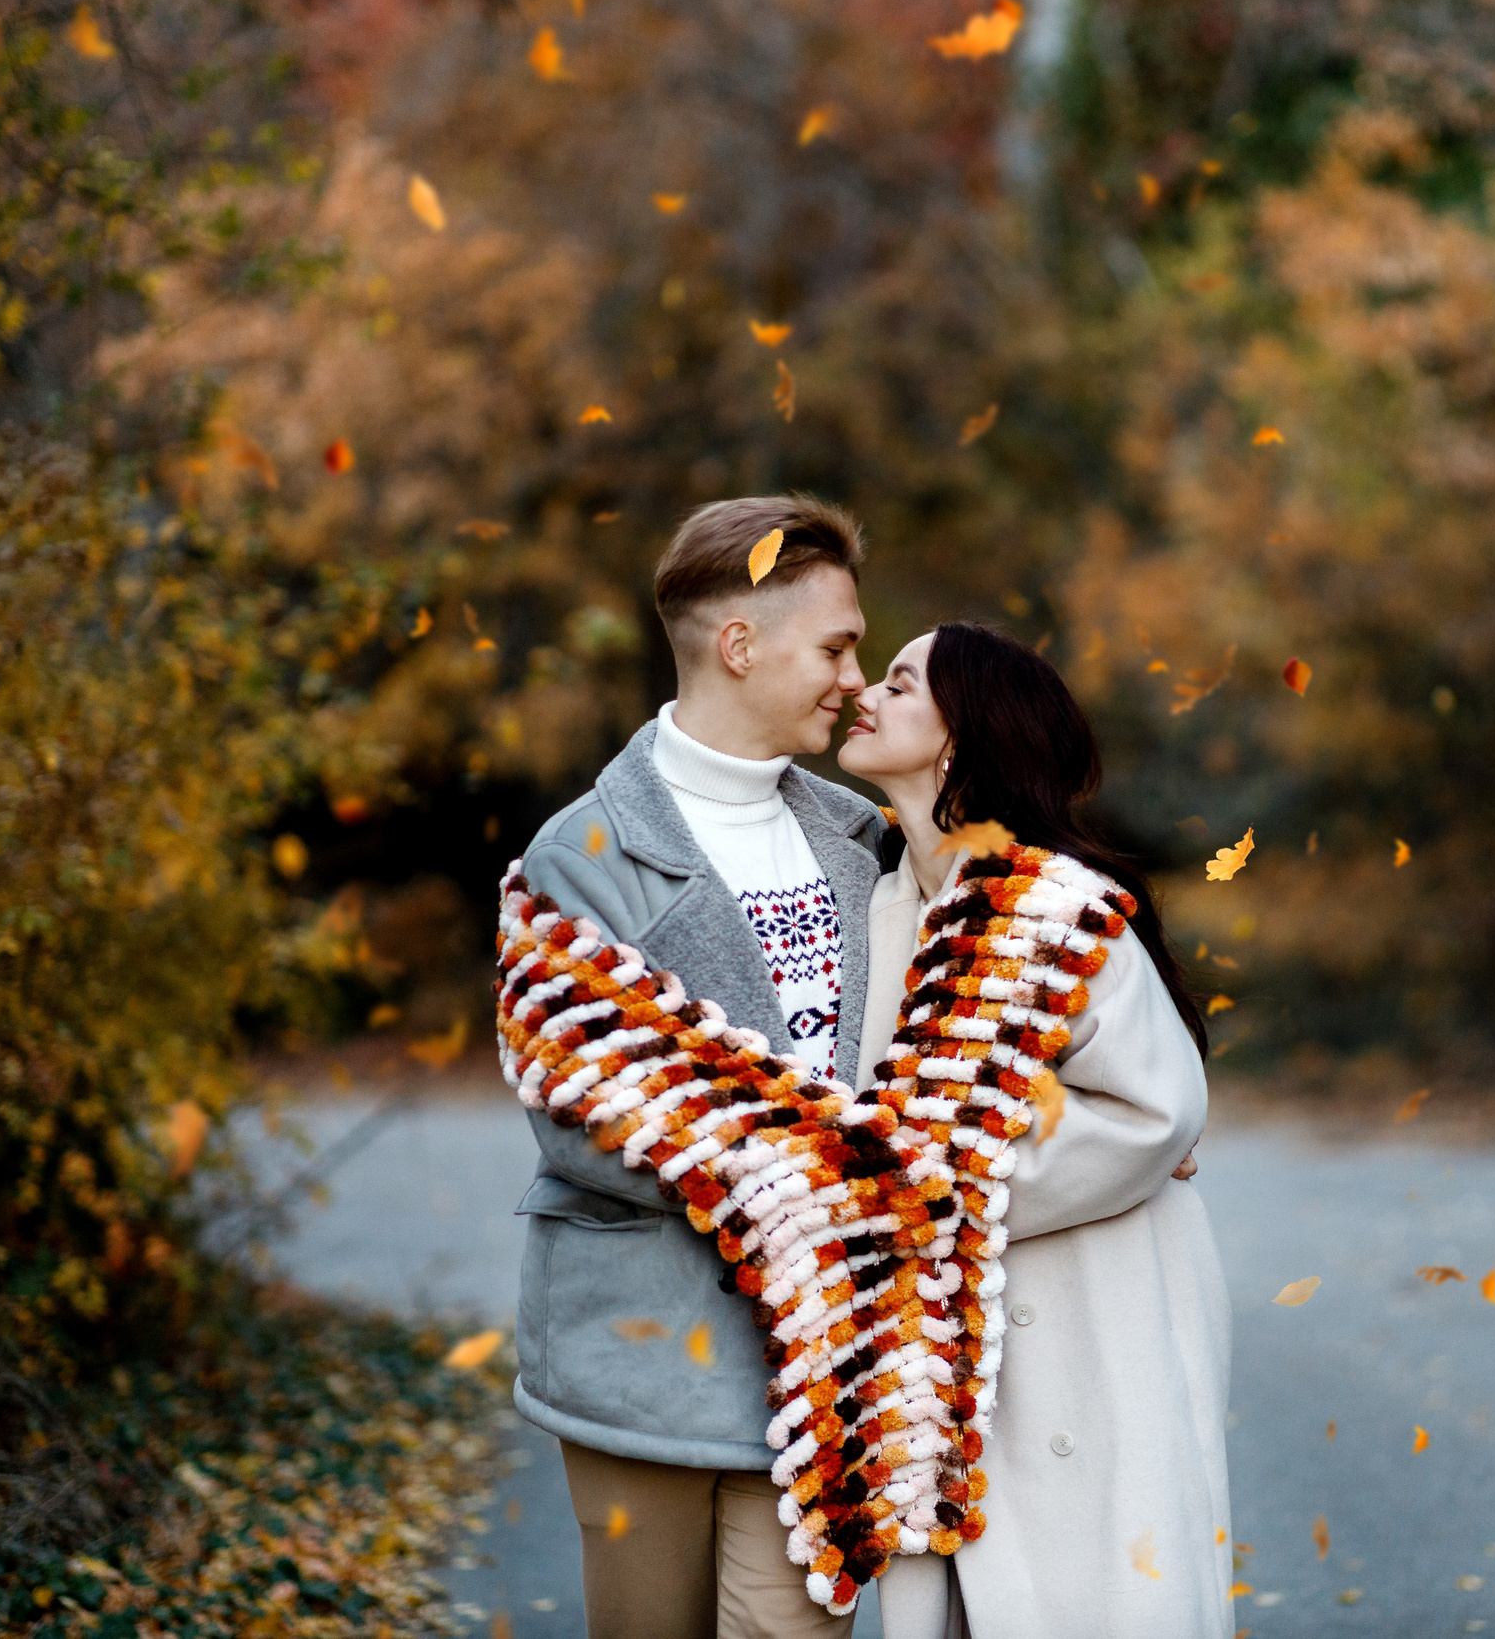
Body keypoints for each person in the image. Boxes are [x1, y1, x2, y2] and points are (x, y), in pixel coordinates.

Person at [512, 494, 884, 1639]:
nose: (857, 678)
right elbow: (588, 1109)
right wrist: (827, 1172)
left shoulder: (864, 842)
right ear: (739, 646)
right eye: (835, 646)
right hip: (641, 1359)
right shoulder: (579, 854)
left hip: (821, 1369)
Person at [837, 622, 1235, 1639]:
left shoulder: (1055, 903)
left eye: (896, 683)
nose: (863, 696)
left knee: (1089, 1592)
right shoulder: (881, 906)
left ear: (958, 741)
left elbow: (1156, 1109)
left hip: (1085, 1314)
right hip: (949, 1340)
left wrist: (931, 1196)